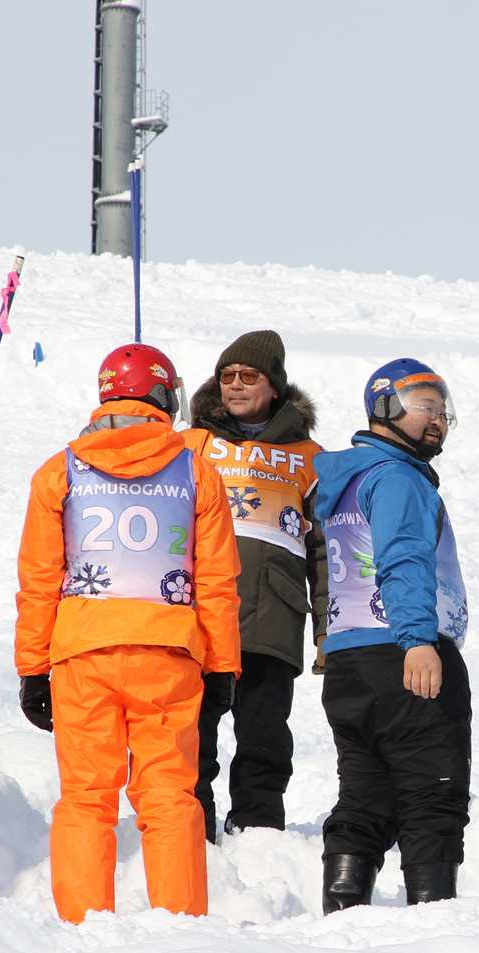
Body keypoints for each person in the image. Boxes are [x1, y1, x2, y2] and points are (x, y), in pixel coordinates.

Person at [13, 343, 241, 922]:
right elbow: (217, 581)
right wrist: (222, 666)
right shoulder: (197, 472)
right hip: (168, 653)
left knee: (86, 797)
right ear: (165, 395)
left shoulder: (60, 471)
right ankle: (180, 925)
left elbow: (39, 579)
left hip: (82, 654)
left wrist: (32, 668)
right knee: (169, 795)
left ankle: (82, 927)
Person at [314, 358, 471, 913]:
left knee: (364, 794)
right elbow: (403, 558)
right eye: (424, 406)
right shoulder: (398, 478)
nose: (438, 420)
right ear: (384, 407)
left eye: (443, 410)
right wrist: (418, 640)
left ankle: (343, 917)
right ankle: (433, 920)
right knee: (434, 792)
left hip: (351, 661)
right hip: (404, 652)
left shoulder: (348, 479)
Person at [181, 330, 327, 842]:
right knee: (192, 731)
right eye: (227, 376)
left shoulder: (311, 457)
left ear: (274, 385)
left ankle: (260, 834)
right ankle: (189, 835)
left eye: (249, 376)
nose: (236, 385)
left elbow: (324, 550)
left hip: (274, 613)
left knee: (264, 734)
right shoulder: (190, 444)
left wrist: (326, 629)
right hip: (199, 614)